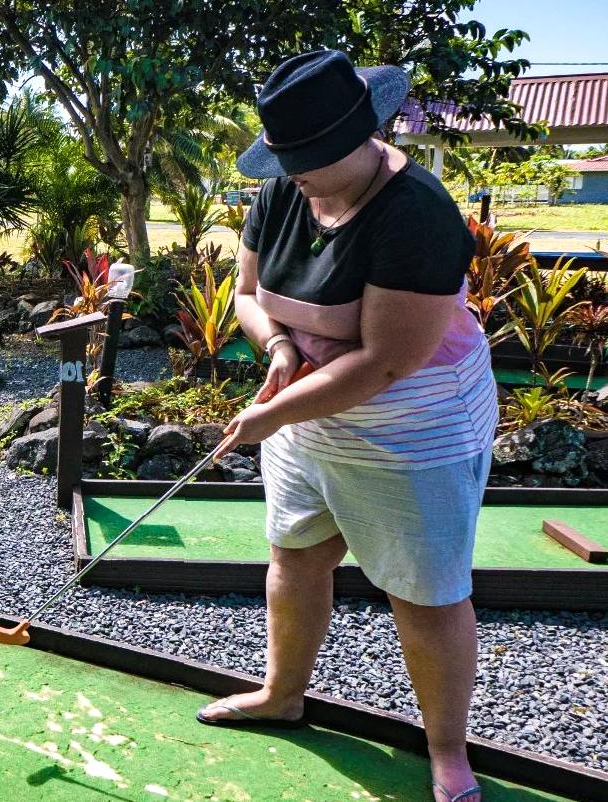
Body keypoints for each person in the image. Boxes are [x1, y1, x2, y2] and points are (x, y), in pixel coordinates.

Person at [198, 50, 496, 802]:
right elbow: (246, 289)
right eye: (283, 158)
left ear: (356, 140)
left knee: (423, 593)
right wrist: (279, 346)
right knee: (295, 557)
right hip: (306, 405)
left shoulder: (417, 214)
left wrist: (270, 414)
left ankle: (447, 753)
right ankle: (281, 694)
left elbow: (385, 363)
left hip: (413, 422)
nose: (288, 172)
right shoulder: (284, 191)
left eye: (303, 159)